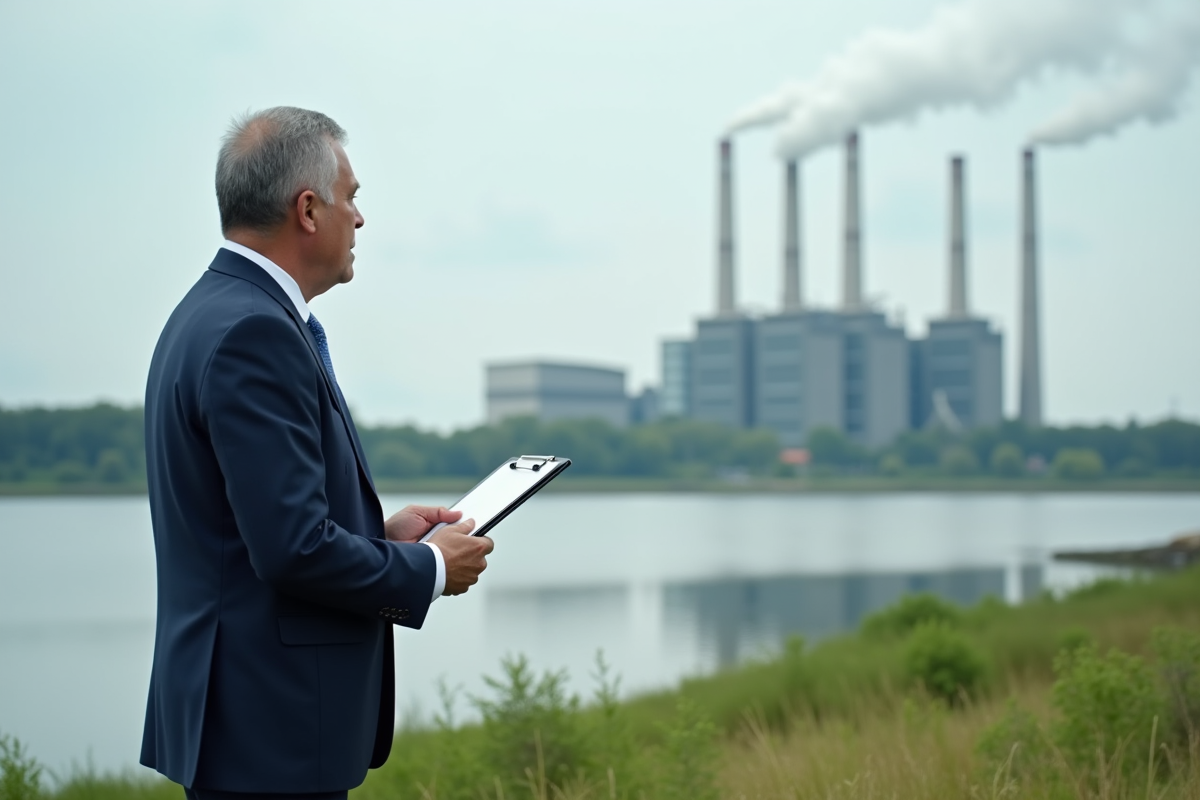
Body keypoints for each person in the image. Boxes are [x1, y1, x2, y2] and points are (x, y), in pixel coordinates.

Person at [139, 106, 494, 800]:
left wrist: (376, 536)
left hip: (244, 729)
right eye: (351, 197)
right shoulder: (254, 335)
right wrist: (424, 567)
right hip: (271, 735)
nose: (358, 218)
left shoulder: (204, 314)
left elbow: (244, 532)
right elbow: (292, 549)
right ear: (308, 209)